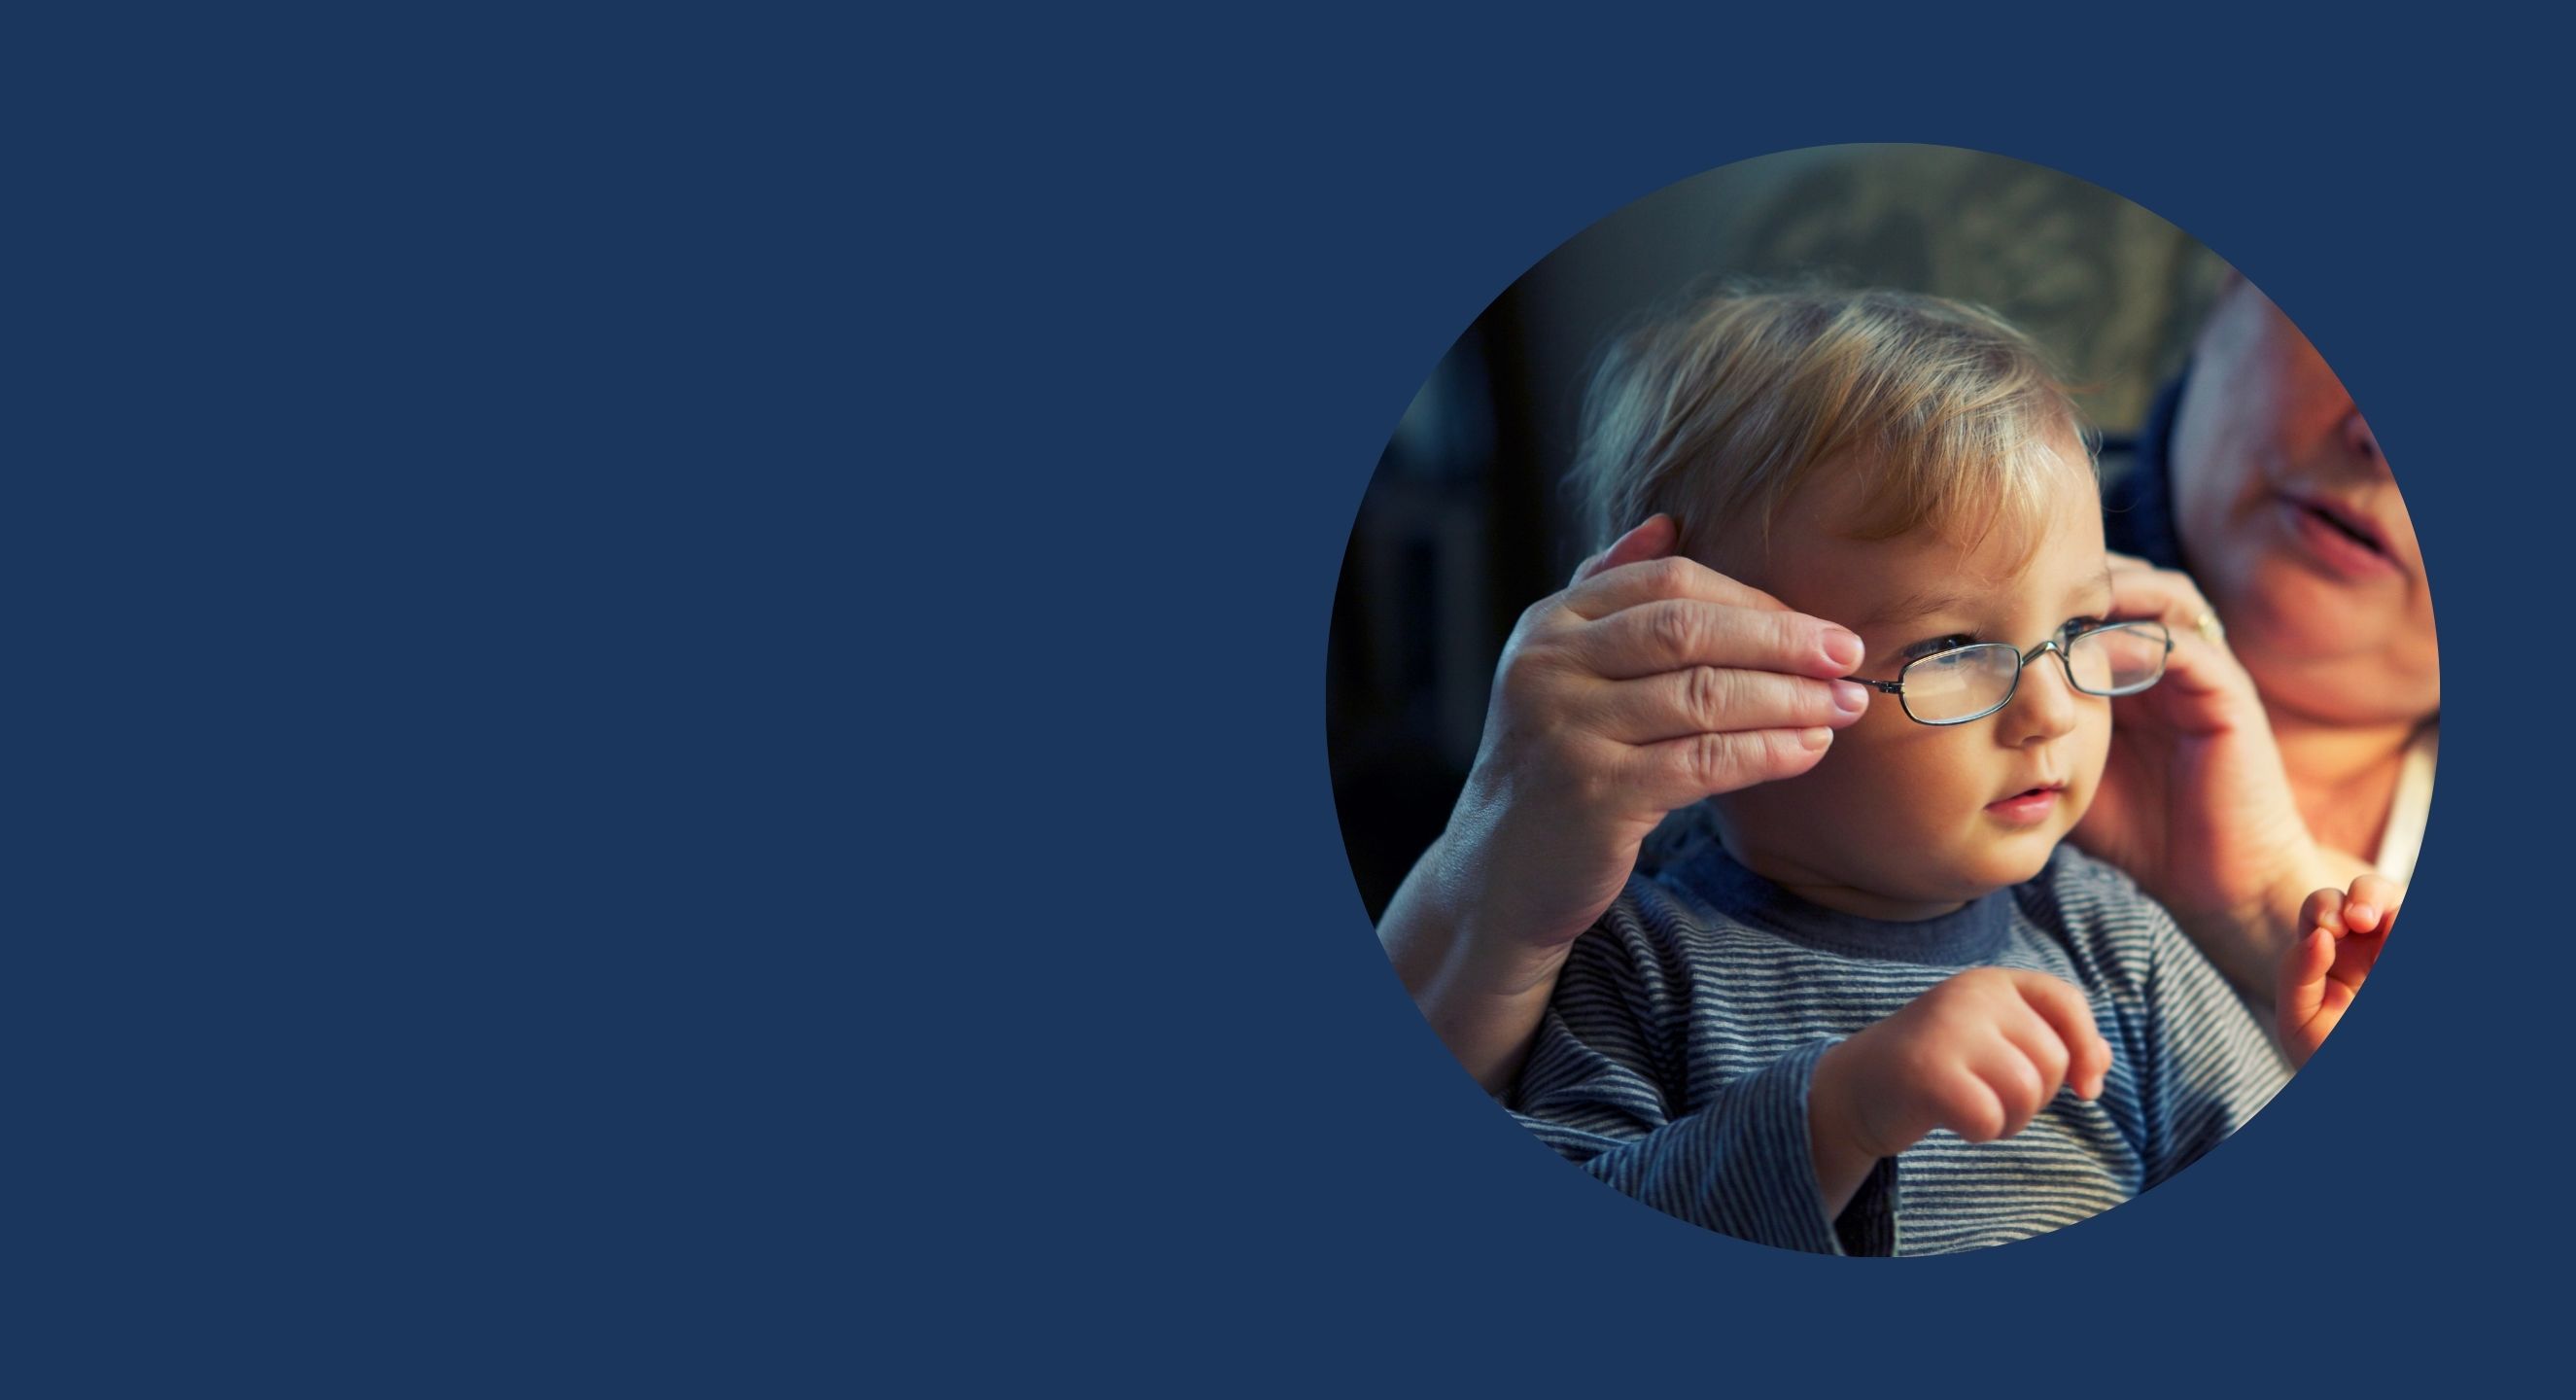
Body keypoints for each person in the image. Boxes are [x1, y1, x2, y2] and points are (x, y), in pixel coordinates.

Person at [1470, 288, 2372, 1253]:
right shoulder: (1637, 959)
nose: (2050, 711)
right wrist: (1833, 1120)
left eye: (2078, 629)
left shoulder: (2118, 944)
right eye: (1950, 649)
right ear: (1707, 678)